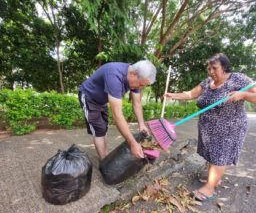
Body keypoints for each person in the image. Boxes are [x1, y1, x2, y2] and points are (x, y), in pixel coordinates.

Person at [165, 53, 256, 202]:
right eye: (209, 68)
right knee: (211, 154)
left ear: (224, 67)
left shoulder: (239, 79)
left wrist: (243, 94)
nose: (211, 71)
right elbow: (190, 94)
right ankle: (214, 179)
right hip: (208, 127)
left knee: (219, 156)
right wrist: (173, 95)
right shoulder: (207, 82)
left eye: (214, 68)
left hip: (230, 127)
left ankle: (210, 187)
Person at [78, 60, 157, 160]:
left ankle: (105, 155)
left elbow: (137, 103)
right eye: (141, 85)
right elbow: (117, 116)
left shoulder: (135, 78)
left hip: (102, 100)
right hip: (89, 96)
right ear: (134, 74)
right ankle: (104, 163)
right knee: (99, 131)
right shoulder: (114, 75)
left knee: (104, 128)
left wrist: (141, 124)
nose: (140, 87)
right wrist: (132, 143)